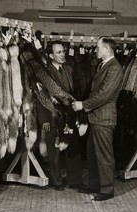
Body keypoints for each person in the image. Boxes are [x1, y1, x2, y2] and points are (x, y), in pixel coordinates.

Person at [71, 37, 123, 201]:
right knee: (92, 154)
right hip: (96, 118)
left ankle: (107, 190)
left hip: (103, 118)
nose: (96, 50)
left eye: (98, 47)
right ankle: (94, 184)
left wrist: (83, 105)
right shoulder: (103, 65)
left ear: (107, 48)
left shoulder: (114, 68)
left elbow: (104, 95)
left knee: (104, 155)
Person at [37, 40, 82, 191]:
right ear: (50, 55)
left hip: (69, 116)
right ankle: (56, 181)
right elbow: (40, 96)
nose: (63, 54)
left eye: (63, 51)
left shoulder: (69, 69)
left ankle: (75, 179)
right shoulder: (44, 73)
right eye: (58, 52)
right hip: (53, 116)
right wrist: (43, 119)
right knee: (54, 151)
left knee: (72, 147)